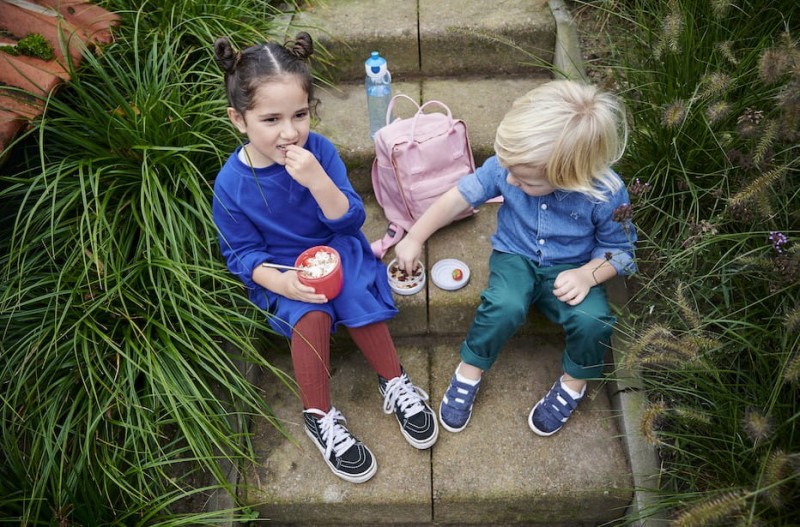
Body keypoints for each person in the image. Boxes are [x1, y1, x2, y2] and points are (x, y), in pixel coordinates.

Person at [211, 33, 438, 484]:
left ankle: (394, 380)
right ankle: (319, 414)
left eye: (300, 114)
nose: (289, 132)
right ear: (239, 119)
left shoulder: (321, 153)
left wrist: (318, 181)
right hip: (283, 267)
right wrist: (279, 282)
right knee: (310, 313)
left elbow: (349, 220)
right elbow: (241, 253)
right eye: (270, 119)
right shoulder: (231, 184)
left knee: (354, 291)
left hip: (336, 247)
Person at [395, 80, 637, 437]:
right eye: (507, 170)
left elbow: (620, 250)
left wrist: (588, 275)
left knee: (594, 320)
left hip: (574, 268)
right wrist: (414, 236)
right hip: (516, 255)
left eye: (523, 180)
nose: (508, 179)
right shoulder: (511, 166)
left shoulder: (606, 193)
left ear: (568, 175)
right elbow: (460, 196)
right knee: (504, 304)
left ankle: (574, 383)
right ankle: (470, 370)